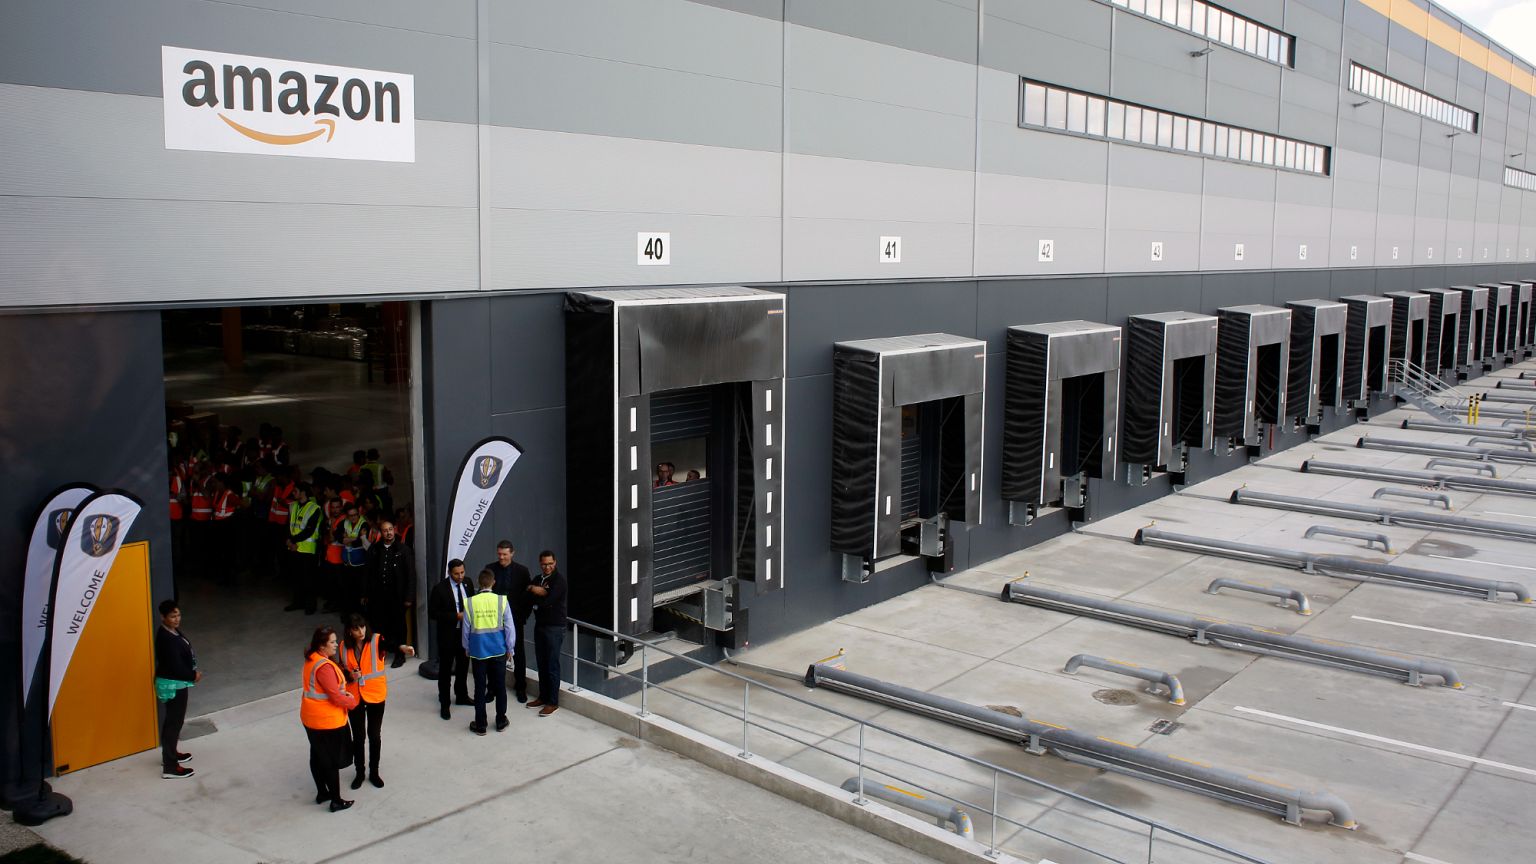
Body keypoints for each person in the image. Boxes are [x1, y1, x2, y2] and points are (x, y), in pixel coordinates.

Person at [340, 614, 413, 789]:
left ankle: (374, 772)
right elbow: (341, 671)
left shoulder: (376, 640)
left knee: (374, 735)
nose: (361, 631)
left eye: (363, 627)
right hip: (354, 697)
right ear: (350, 631)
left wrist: (402, 648)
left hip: (375, 695)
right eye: (356, 629)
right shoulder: (343, 647)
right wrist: (350, 676)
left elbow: (390, 645)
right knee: (358, 737)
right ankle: (359, 772)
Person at [300, 626, 359, 812]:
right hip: (327, 721)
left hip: (311, 718)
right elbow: (335, 696)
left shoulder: (312, 660)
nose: (336, 645)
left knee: (316, 756)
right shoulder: (324, 667)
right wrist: (353, 702)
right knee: (331, 762)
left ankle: (322, 793)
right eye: (332, 642)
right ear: (322, 645)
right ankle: (336, 800)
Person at [463, 569, 516, 735]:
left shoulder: (470, 602)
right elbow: (509, 627)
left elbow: (465, 629)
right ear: (493, 582)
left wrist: (467, 647)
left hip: (479, 651)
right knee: (500, 686)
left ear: (479, 583)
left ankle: (481, 725)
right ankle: (501, 721)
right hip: (498, 649)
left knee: (479, 688)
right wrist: (510, 648)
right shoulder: (501, 601)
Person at [154, 600, 199, 779]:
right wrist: (192, 675)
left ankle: (170, 753)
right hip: (173, 684)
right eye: (172, 616)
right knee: (174, 722)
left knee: (173, 721)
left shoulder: (171, 631)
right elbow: (174, 667)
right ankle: (170, 767)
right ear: (163, 617)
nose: (177, 619)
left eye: (178, 615)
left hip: (176, 683)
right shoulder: (166, 638)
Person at [363, 519, 415, 667]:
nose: (389, 532)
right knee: (380, 625)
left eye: (391, 529)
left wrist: (409, 597)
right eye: (385, 530)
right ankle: (383, 651)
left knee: (399, 625)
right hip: (379, 595)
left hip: (397, 596)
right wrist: (365, 593)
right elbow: (368, 572)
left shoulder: (403, 549)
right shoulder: (375, 548)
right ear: (381, 532)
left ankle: (400, 654)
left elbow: (411, 575)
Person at [485, 540, 531, 702]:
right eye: (499, 554)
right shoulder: (490, 568)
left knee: (518, 655)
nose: (502, 557)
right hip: (494, 620)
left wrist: (523, 616)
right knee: (492, 654)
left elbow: (527, 597)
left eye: (505, 554)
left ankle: (521, 688)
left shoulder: (522, 571)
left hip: (515, 619)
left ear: (512, 553)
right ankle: (491, 689)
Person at [428, 560, 473, 719]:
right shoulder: (440, 589)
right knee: (446, 670)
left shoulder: (467, 583)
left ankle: (462, 695)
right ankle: (445, 703)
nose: (460, 576)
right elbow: (433, 614)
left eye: (462, 572)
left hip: (464, 634)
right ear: (449, 573)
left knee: (463, 667)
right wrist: (456, 616)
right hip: (447, 635)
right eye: (456, 574)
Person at [526, 551, 568, 717]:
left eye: (550, 563)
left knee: (552, 664)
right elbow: (530, 596)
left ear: (555, 562)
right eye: (544, 564)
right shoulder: (538, 579)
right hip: (540, 625)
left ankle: (552, 702)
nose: (547, 567)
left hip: (554, 627)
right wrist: (534, 589)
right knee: (541, 663)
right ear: (540, 563)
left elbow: (548, 600)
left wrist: (539, 593)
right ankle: (542, 697)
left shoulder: (559, 581)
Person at [284, 483, 323, 614]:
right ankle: (298, 602)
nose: (293, 493)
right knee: (296, 577)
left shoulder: (314, 508)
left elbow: (309, 530)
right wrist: (289, 541)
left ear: (303, 492)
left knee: (309, 579)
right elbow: (289, 526)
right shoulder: (292, 506)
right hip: (294, 548)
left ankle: (310, 605)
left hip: (307, 550)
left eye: (295, 491)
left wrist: (293, 541)